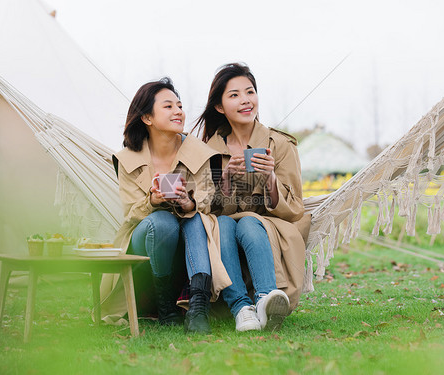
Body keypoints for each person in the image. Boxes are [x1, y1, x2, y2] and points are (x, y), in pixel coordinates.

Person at [99, 77, 231, 334]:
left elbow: (208, 200)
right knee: (162, 221)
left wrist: (188, 201)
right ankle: (165, 307)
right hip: (146, 243)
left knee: (194, 217)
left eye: (180, 106)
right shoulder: (126, 159)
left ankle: (198, 308)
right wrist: (152, 200)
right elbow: (130, 213)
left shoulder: (200, 153)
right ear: (147, 118)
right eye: (168, 106)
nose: (179, 111)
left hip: (191, 245)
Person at [194, 63, 311, 332]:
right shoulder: (207, 150)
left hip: (271, 226)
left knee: (247, 222)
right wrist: (224, 181)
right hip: (224, 226)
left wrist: (270, 177)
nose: (246, 100)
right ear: (220, 107)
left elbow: (294, 209)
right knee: (223, 224)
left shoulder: (280, 145)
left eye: (250, 92)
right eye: (234, 95)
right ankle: (241, 308)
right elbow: (205, 209)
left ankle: (266, 298)